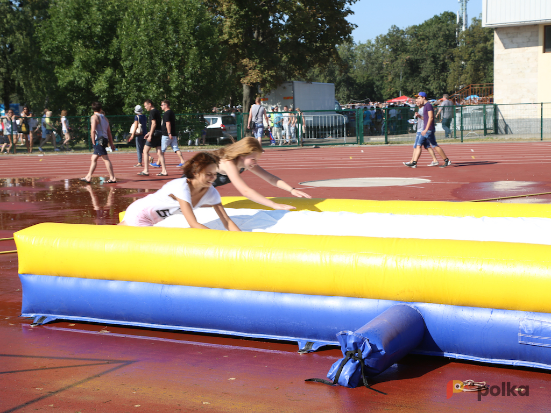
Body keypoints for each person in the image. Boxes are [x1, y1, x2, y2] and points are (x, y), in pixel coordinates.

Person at [121, 152, 240, 231]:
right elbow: (193, 224)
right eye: (208, 174)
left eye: (214, 174)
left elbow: (226, 220)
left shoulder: (211, 192)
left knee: (118, 232)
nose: (213, 178)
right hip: (141, 213)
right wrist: (220, 238)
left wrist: (242, 238)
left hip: (151, 218)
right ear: (195, 173)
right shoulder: (181, 186)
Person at [204, 137, 311, 210]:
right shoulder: (229, 163)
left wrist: (291, 190)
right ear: (242, 155)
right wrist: (274, 205)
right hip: (195, 181)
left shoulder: (246, 163)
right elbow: (245, 191)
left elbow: (271, 178)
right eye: (253, 159)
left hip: (209, 184)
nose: (255, 163)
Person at [404, 92, 451, 168]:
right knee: (434, 145)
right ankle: (446, 160)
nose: (418, 100)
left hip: (428, 130)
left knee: (419, 145)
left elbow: (431, 117)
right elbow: (425, 118)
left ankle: (414, 162)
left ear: (423, 98)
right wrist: (420, 117)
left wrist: (425, 129)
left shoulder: (428, 105)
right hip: (428, 129)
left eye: (419, 98)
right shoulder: (426, 106)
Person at [80, 101, 117, 183]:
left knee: (105, 159)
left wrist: (93, 140)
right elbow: (109, 132)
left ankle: (112, 177)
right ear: (100, 109)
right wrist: (111, 143)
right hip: (104, 139)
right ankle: (88, 176)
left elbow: (93, 130)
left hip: (99, 140)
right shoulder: (105, 118)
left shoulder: (94, 117)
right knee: (93, 158)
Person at [405, 101, 439, 167]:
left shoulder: (424, 109)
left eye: (418, 101)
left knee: (417, 145)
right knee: (427, 146)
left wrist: (419, 116)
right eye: (416, 101)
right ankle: (435, 160)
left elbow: (426, 119)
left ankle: (413, 162)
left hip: (422, 130)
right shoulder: (419, 109)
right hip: (420, 129)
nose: (417, 102)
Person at [139, 99, 163, 176]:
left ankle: (146, 170)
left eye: (145, 106)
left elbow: (154, 124)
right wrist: (149, 133)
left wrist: (150, 135)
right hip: (159, 133)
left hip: (154, 134)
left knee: (145, 151)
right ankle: (164, 170)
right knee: (159, 152)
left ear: (149, 104)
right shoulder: (157, 111)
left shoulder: (152, 112)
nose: (145, 108)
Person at [160, 99, 185, 174]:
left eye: (162, 105)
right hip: (173, 134)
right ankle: (182, 161)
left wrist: (169, 133)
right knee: (176, 148)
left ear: (166, 105)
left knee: (161, 151)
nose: (161, 106)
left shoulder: (166, 113)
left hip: (167, 135)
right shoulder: (171, 112)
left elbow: (168, 123)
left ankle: (160, 166)